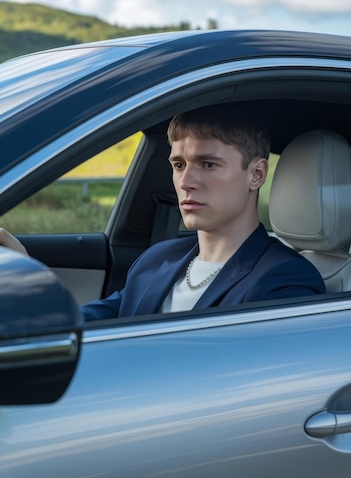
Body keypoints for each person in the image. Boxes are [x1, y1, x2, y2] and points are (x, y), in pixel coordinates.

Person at [0, 104, 325, 320]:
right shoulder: (157, 259)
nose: (186, 181)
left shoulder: (285, 281)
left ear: (256, 174)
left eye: (208, 164)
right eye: (178, 164)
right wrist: (30, 281)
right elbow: (85, 326)